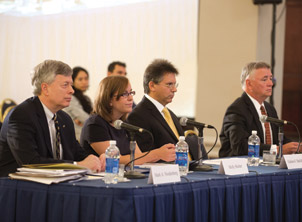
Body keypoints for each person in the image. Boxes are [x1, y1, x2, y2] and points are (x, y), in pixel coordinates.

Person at [0, 60, 105, 177]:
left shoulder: (64, 118)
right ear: (45, 88)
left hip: (52, 184)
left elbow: (77, 153)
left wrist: (96, 159)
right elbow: (30, 163)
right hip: (16, 185)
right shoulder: (22, 115)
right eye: (65, 85)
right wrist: (78, 165)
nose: (72, 90)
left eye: (71, 84)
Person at [80, 75, 175, 165]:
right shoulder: (95, 124)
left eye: (131, 93)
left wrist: (161, 154)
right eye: (125, 94)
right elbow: (115, 160)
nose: (130, 98)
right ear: (109, 100)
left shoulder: (123, 124)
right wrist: (157, 154)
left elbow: (137, 157)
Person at [219, 61, 299, 157]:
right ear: (249, 84)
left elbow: (280, 140)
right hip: (240, 168)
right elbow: (240, 147)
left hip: (266, 166)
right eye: (264, 79)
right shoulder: (237, 109)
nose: (270, 84)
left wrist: (296, 147)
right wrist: (277, 150)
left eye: (271, 78)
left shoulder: (269, 109)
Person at [127, 59, 200, 160]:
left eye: (175, 84)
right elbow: (144, 157)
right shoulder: (138, 116)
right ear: (152, 86)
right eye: (169, 84)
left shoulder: (169, 114)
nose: (175, 89)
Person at [64, 66, 92, 141]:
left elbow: (92, 117)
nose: (84, 82)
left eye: (86, 79)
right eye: (80, 79)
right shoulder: (70, 98)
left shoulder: (86, 98)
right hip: (76, 138)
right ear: (72, 81)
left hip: (86, 136)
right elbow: (85, 118)